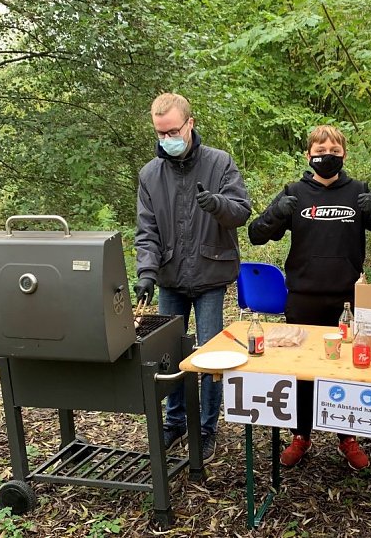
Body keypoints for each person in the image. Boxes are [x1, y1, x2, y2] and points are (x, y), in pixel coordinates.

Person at [248, 124, 371, 470]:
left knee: (345, 369)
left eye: (334, 151)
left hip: (347, 300)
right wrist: (278, 212)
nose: (327, 157)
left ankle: (346, 435)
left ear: (343, 154)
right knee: (302, 370)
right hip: (303, 296)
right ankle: (301, 434)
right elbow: (256, 235)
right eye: (320, 151)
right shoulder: (294, 193)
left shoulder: (359, 192)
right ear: (309, 155)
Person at [134, 92, 251, 464]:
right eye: (159, 132)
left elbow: (241, 212)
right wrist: (147, 273)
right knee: (168, 354)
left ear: (190, 124)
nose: (165, 138)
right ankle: (175, 421)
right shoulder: (150, 174)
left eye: (171, 130)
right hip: (170, 277)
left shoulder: (219, 163)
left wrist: (216, 203)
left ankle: (206, 427)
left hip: (210, 273)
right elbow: (146, 230)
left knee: (210, 355)